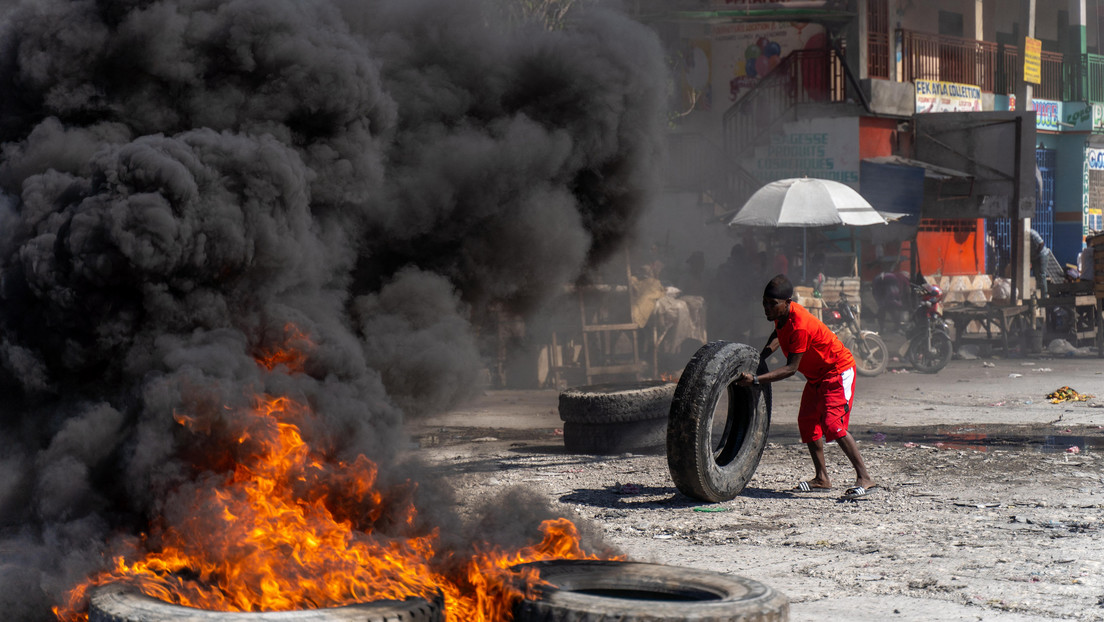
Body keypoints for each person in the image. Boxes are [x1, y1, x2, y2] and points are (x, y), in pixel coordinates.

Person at [735, 274, 876, 499]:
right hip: (816, 376)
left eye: (772, 304)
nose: (766, 308)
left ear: (787, 302)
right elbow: (778, 334)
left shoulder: (800, 325)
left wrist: (756, 380)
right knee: (807, 422)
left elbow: (791, 369)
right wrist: (762, 357)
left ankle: (865, 477)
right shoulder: (781, 316)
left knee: (833, 424)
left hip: (837, 371)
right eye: (764, 302)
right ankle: (822, 478)